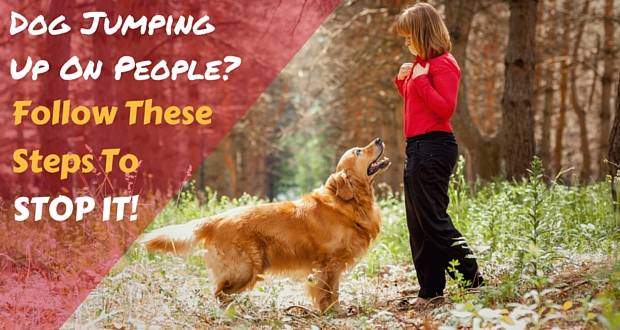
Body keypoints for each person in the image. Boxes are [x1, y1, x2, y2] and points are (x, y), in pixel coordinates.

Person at [393, 3, 483, 309]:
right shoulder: (422, 66)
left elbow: (445, 109)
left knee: (433, 220)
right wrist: (403, 81)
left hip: (435, 147)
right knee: (417, 223)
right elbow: (415, 107)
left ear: (422, 34)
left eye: (409, 38)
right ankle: (430, 290)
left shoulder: (444, 64)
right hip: (416, 148)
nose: (406, 44)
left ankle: (473, 280)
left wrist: (418, 80)